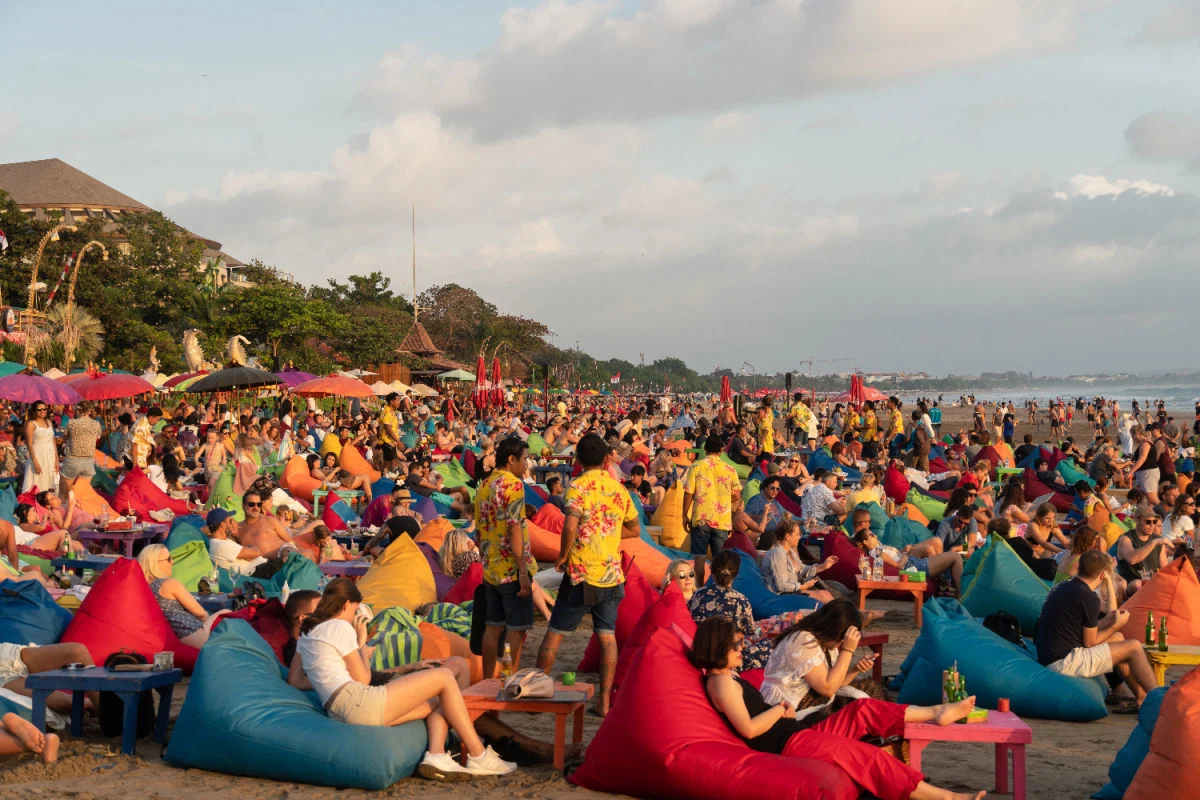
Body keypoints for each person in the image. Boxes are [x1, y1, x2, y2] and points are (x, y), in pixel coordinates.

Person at [694, 616, 983, 800]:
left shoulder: (726, 677)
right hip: (789, 743)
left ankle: (936, 712)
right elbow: (749, 728)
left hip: (794, 732)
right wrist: (779, 709)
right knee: (867, 756)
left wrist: (779, 712)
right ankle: (945, 798)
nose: (741, 648)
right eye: (735, 645)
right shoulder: (721, 683)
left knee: (863, 709)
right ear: (718, 647)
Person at [287, 578, 516, 780]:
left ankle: (436, 756)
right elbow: (363, 679)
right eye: (354, 611)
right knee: (444, 676)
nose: (353, 617)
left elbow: (295, 681)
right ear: (346, 605)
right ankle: (478, 754)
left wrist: (328, 683)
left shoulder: (307, 633)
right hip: (360, 701)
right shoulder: (339, 627)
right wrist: (362, 645)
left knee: (439, 703)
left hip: (338, 709)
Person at [536, 433, 639, 717]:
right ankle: (604, 700)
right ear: (607, 459)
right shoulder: (619, 490)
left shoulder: (578, 486)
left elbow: (570, 526)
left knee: (555, 634)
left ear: (578, 460)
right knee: (607, 639)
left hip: (581, 571)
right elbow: (635, 530)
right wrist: (608, 534)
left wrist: (562, 556)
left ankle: (537, 691)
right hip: (610, 573)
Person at [1034, 550, 1158, 711]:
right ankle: (1159, 699)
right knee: (1133, 646)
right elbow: (1090, 641)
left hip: (1051, 654)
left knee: (1118, 637)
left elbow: (1077, 628)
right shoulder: (1088, 596)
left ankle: (1141, 697)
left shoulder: (1066, 586)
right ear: (1102, 575)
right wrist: (1116, 624)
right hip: (1063, 662)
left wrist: (1108, 623)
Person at [476, 437, 536, 683]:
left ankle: (489, 681)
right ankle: (509, 680)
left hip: (491, 566)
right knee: (516, 628)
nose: (526, 464)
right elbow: (514, 529)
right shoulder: (513, 486)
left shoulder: (484, 484)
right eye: (524, 459)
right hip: (511, 567)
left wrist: (485, 558)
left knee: (493, 626)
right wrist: (522, 571)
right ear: (511, 459)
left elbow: (479, 529)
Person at [136, 544, 223, 647]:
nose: (172, 562)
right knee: (227, 613)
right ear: (154, 564)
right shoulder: (169, 584)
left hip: (173, 638)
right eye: (168, 559)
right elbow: (201, 614)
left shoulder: (141, 587)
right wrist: (211, 625)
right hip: (194, 635)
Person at [681, 434, 740, 583]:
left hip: (701, 517)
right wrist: (725, 500)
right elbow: (737, 495)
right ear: (721, 450)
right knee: (720, 560)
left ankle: (700, 589)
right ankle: (720, 588)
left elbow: (688, 493)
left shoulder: (696, 466)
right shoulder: (730, 469)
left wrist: (684, 515)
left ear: (705, 449)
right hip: (721, 519)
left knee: (699, 558)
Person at [761, 520, 835, 603]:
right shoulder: (778, 553)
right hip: (781, 596)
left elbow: (802, 569)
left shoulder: (790, 552)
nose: (799, 537)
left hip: (793, 590)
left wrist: (823, 566)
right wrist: (802, 587)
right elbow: (781, 585)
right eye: (797, 534)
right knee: (823, 596)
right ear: (787, 536)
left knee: (827, 593)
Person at [1115, 506, 1170, 596]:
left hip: (1152, 582)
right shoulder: (1126, 539)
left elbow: (1164, 568)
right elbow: (1132, 559)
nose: (1152, 525)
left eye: (1154, 522)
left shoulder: (1157, 540)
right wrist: (1153, 543)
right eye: (1148, 522)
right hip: (1131, 584)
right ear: (1137, 520)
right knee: (1137, 584)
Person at [205, 507, 266, 575]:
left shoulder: (221, 541)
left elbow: (250, 555)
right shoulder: (221, 545)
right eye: (230, 521)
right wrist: (249, 552)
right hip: (260, 571)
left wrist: (248, 553)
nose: (233, 524)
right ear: (223, 525)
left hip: (261, 567)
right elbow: (257, 552)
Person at [238, 490, 295, 560]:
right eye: (252, 504)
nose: (256, 508)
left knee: (289, 552)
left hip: (282, 554)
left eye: (258, 504)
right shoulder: (238, 528)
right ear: (243, 505)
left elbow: (291, 542)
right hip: (263, 565)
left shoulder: (270, 520)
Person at [21, 402, 58, 494]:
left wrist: (56, 458)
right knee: (38, 481)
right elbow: (29, 444)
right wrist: (35, 462)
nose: (43, 411)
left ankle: (48, 503)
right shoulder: (30, 423)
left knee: (50, 480)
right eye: (39, 409)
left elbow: (52, 440)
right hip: (38, 455)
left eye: (44, 409)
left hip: (50, 455)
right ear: (34, 411)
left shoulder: (49, 422)